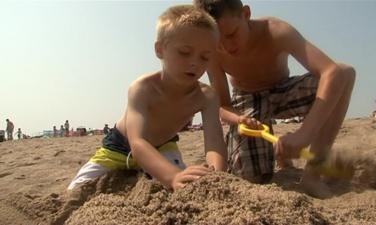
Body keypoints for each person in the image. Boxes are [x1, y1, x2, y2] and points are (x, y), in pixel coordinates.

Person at [194, 0, 356, 196]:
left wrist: (304, 134)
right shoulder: (212, 53)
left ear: (246, 14)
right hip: (247, 102)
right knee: (252, 178)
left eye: (231, 34)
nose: (227, 46)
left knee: (346, 73)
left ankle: (313, 173)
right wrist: (239, 119)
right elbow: (222, 105)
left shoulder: (276, 31)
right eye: (218, 40)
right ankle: (279, 155)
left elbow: (332, 72)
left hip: (283, 90)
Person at [68, 5, 227, 191]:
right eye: (184, 52)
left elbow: (215, 142)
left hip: (163, 147)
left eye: (205, 57)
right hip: (120, 147)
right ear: (160, 49)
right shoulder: (143, 88)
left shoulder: (206, 96)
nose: (195, 62)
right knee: (76, 190)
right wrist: (173, 175)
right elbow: (138, 142)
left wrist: (217, 175)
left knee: (187, 186)